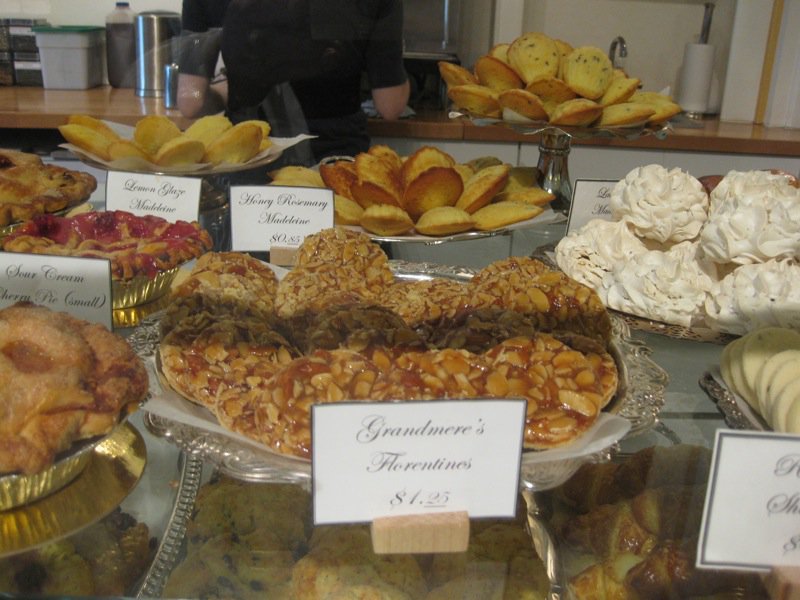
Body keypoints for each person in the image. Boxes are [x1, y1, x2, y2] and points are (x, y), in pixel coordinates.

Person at [177, 0, 410, 163]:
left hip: (250, 153)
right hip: (334, 159)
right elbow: (390, 105)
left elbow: (190, 101)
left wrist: (230, 91)